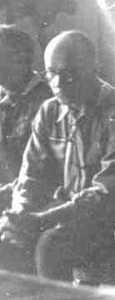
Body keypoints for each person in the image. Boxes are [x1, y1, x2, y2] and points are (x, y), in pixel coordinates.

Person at [0, 30, 115, 280]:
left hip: (114, 218)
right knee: (7, 238)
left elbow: (108, 194)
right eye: (51, 73)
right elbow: (32, 176)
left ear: (94, 68)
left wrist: (42, 219)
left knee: (51, 245)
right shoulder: (49, 111)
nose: (58, 83)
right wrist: (21, 214)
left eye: (69, 73)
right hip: (65, 210)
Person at [0, 26, 51, 209]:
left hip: (36, 204)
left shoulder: (49, 102)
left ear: (20, 59)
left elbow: (48, 171)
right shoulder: (4, 99)